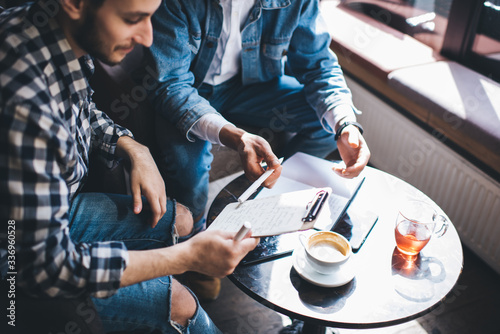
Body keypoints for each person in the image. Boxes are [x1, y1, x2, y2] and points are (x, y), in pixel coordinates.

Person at [0, 0, 258, 333]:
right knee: (181, 304)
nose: (149, 37)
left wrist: (133, 147)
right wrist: (186, 258)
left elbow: (80, 109)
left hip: (53, 211)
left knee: (181, 218)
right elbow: (47, 269)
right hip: (15, 268)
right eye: (133, 19)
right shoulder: (24, 102)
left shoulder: (54, 34)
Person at [140, 0, 371, 298]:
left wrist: (344, 124)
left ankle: (276, 200)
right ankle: (196, 260)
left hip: (252, 88)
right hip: (190, 90)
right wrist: (237, 137)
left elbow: (318, 65)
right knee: (188, 170)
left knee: (324, 121)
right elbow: (170, 84)